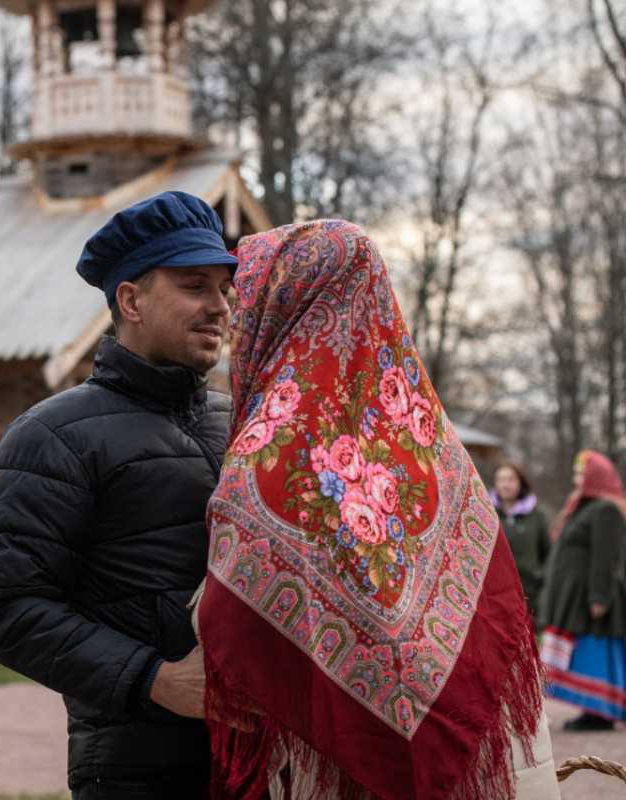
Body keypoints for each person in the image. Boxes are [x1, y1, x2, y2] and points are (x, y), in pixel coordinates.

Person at [196, 220, 557, 800]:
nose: (235, 317)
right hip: (467, 761)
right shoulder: (432, 440)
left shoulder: (273, 442)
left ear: (282, 304)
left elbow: (228, 620)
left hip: (324, 765)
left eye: (247, 297)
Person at [0, 191, 237, 798]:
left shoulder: (246, 422)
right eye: (195, 286)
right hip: (136, 769)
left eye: (225, 288)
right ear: (131, 300)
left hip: (260, 757)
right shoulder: (52, 436)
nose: (220, 307)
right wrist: (153, 677)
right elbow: (11, 610)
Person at [538, 450, 626, 731]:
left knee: (595, 651)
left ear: (595, 477)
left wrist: (599, 596)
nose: (577, 479)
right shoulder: (583, 508)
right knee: (584, 651)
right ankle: (592, 710)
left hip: (593, 599)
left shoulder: (606, 509)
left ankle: (600, 713)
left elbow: (606, 556)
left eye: (581, 474)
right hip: (574, 599)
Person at [492, 463, 550, 623]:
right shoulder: (487, 514)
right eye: (501, 480)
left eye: (511, 479)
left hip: (529, 594)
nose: (505, 484)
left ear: (520, 483)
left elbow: (548, 553)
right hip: (495, 595)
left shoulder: (537, 516)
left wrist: (540, 576)